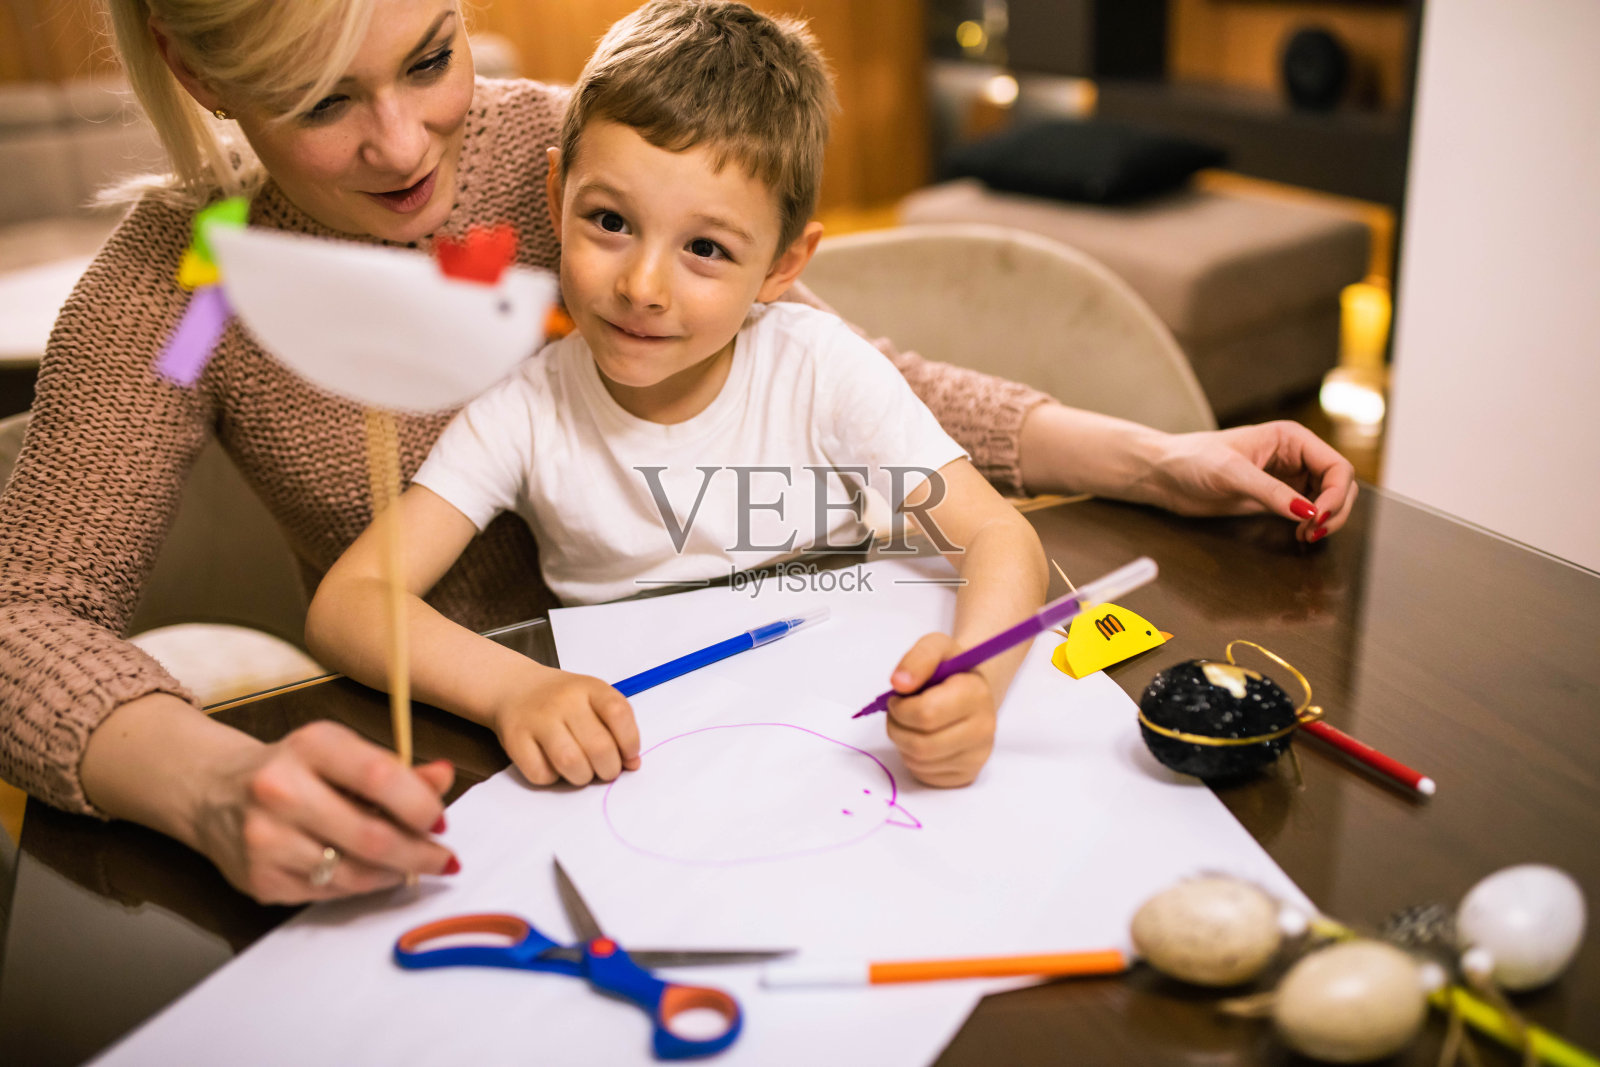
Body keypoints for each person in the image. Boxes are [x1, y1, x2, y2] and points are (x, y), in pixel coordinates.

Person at [0, 0, 1355, 906]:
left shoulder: (554, 153)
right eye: (314, 99)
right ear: (202, 73)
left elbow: (842, 374)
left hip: (764, 718)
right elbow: (26, 613)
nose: (406, 145)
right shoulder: (199, 288)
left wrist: (1151, 458)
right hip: (481, 775)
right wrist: (213, 780)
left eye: (428, 54)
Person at [306, 0, 1049, 795]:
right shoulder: (522, 413)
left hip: (846, 741)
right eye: (610, 221)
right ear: (558, 196)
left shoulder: (822, 369)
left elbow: (1000, 538)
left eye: (705, 248)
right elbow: (348, 605)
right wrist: (512, 688)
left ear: (781, 265)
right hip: (644, 768)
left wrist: (975, 683)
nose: (643, 287)